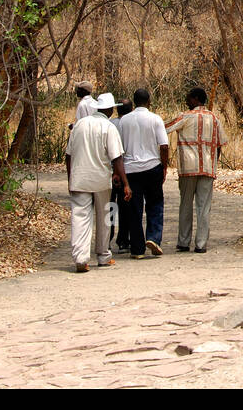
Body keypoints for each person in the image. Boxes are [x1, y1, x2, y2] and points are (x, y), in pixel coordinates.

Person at [65, 92, 130, 272]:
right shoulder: (108, 127)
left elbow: (68, 155)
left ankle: (81, 258)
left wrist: (70, 178)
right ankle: (103, 255)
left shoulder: (79, 125)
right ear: (109, 109)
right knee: (106, 217)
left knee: (80, 217)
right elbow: (117, 158)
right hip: (101, 179)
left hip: (79, 178)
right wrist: (125, 183)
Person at [165, 87, 228, 253]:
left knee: (185, 205)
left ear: (195, 99)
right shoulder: (214, 119)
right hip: (208, 168)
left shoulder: (185, 116)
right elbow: (220, 144)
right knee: (204, 207)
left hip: (188, 168)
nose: (186, 101)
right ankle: (201, 244)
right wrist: (213, 161)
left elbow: (165, 128)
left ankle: (183, 242)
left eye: (188, 98)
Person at [117, 88, 169, 258]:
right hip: (152, 166)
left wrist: (118, 172)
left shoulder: (124, 121)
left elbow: (119, 150)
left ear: (134, 101)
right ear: (149, 102)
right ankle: (154, 237)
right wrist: (164, 166)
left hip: (131, 170)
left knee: (134, 209)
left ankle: (137, 249)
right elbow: (164, 145)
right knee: (155, 204)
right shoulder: (155, 119)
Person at [110, 99, 133, 252]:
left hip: (110, 171)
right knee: (126, 207)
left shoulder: (110, 124)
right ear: (131, 109)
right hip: (127, 171)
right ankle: (124, 240)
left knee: (109, 206)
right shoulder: (132, 123)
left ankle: (106, 239)